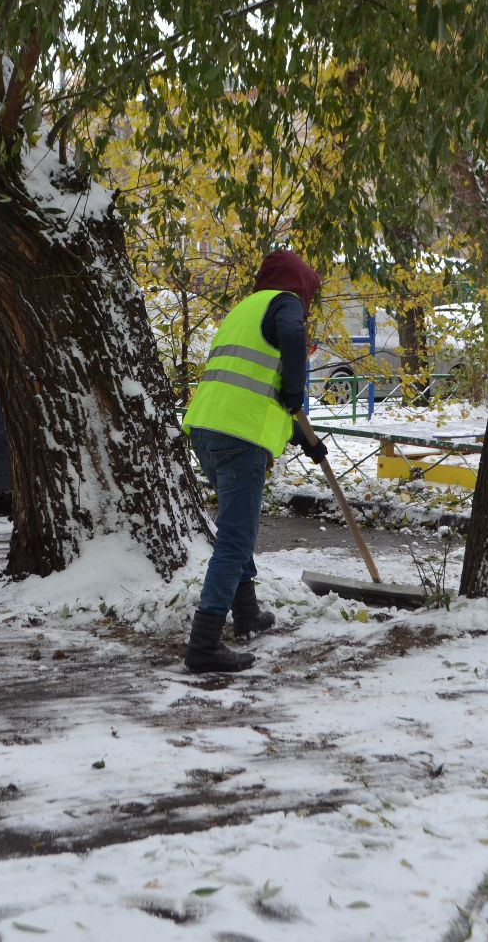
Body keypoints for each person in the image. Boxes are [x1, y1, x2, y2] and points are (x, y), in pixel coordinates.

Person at [180, 249, 326, 673]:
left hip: (207, 430)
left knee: (234, 525)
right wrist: (297, 390)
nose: (307, 302)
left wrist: (307, 440)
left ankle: (246, 613)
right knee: (236, 539)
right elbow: (292, 349)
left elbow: (257, 386)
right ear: (299, 284)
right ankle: (204, 642)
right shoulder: (285, 304)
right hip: (239, 438)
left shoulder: (244, 310)